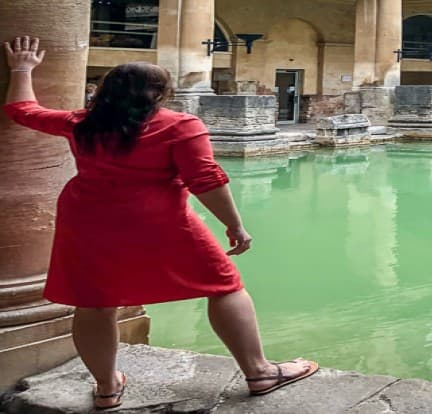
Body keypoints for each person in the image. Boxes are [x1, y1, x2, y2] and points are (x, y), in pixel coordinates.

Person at [3, 37, 318, 410]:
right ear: (161, 94)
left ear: (104, 92)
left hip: (88, 220)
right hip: (161, 220)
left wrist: (22, 68)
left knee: (94, 301)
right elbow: (205, 180)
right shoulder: (181, 125)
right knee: (224, 285)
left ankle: (106, 389)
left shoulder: (81, 123)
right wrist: (235, 225)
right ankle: (260, 371)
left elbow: (22, 110)